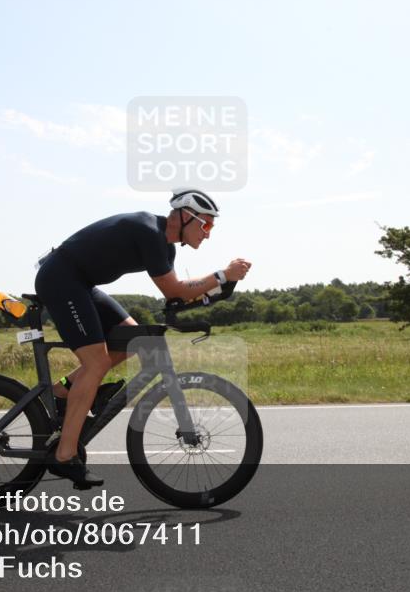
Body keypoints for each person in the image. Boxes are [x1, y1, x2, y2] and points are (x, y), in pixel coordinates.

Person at [34, 188, 251, 488]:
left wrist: (216, 292)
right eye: (206, 224)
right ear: (185, 216)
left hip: (80, 283)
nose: (208, 233)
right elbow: (174, 289)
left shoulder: (166, 249)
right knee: (96, 363)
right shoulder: (149, 231)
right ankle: (65, 455)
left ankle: (62, 392)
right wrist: (223, 275)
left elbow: (177, 293)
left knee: (133, 339)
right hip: (61, 278)